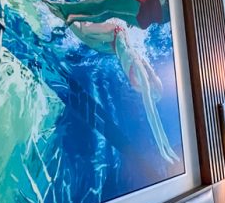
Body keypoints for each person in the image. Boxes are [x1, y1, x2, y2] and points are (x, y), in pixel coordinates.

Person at [67, 21, 180, 164]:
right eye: (153, 96)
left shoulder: (142, 76)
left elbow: (154, 113)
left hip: (114, 47)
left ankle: (67, 17)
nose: (150, 99)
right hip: (115, 32)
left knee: (85, 38)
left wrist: (166, 148)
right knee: (84, 30)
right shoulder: (140, 72)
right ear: (152, 86)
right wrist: (165, 150)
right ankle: (70, 15)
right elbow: (152, 114)